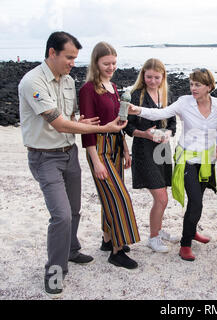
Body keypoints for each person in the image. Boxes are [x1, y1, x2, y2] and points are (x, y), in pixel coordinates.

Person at [18, 32, 127, 297]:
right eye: (69, 57)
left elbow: (73, 117)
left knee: (75, 210)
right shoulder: (32, 81)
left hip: (70, 153)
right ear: (52, 53)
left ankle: (71, 249)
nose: (73, 63)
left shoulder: (67, 81)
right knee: (62, 215)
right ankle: (55, 271)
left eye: (76, 58)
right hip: (45, 157)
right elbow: (57, 121)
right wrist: (102, 129)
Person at [130, 68, 217, 261]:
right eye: (191, 84)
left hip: (207, 161)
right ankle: (185, 244)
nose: (193, 88)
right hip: (186, 159)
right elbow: (160, 113)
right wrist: (138, 110)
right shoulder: (184, 102)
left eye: (198, 85)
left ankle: (192, 229)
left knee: (197, 202)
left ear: (209, 87)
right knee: (195, 201)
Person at [79, 42, 141, 270]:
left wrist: (125, 149)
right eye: (106, 63)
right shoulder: (88, 89)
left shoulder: (114, 87)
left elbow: (119, 123)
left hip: (116, 145)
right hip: (99, 147)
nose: (111, 67)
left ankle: (107, 240)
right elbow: (87, 130)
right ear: (96, 62)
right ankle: (117, 251)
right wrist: (95, 161)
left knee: (109, 198)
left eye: (114, 63)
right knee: (119, 197)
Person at [124, 58, 178, 253]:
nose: (153, 81)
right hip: (144, 150)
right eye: (149, 77)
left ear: (163, 77)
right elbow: (127, 127)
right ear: (143, 75)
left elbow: (173, 123)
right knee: (161, 197)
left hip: (163, 149)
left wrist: (168, 133)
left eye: (157, 77)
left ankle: (158, 229)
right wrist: (145, 134)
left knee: (162, 196)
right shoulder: (135, 95)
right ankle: (153, 238)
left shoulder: (166, 95)